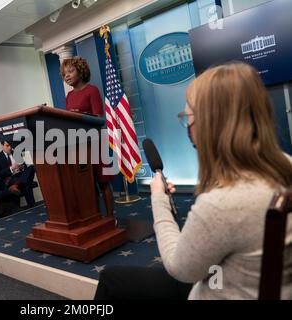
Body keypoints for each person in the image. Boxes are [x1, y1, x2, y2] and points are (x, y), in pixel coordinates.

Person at [95, 63, 292, 300]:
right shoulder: (284, 164)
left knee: (110, 280)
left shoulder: (223, 203)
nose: (187, 125)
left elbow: (180, 268)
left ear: (210, 124)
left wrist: (159, 200)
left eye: (187, 117)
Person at [61, 56, 116, 218]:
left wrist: (81, 115)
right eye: (64, 74)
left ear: (81, 71)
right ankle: (96, 217)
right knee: (88, 184)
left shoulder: (92, 90)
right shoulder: (69, 96)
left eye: (71, 71)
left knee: (103, 181)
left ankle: (111, 217)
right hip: (79, 144)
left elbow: (100, 119)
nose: (67, 76)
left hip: (95, 142)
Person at [0, 141, 36, 208]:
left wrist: (22, 167)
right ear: (2, 145)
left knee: (31, 167)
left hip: (20, 175)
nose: (10, 148)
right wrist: (11, 168)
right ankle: (32, 206)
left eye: (11, 145)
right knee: (26, 182)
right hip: (9, 178)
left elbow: (26, 166)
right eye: (7, 146)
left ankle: (16, 185)